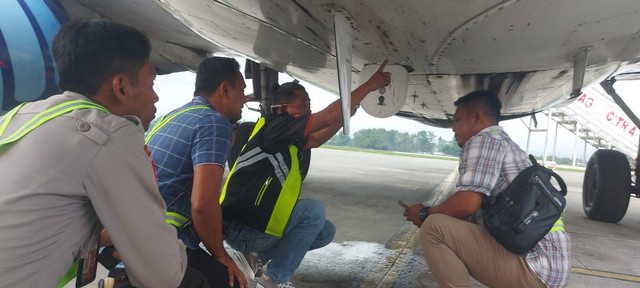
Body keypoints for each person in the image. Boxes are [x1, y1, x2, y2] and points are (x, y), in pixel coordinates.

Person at [0, 20, 207, 288]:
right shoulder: (106, 134)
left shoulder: (21, 117)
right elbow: (164, 276)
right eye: (151, 83)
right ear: (121, 87)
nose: (156, 98)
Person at [221, 61, 391, 288]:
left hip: (251, 226)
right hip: (244, 230)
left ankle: (256, 257)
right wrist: (369, 86)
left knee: (324, 232)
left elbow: (316, 139)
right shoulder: (276, 127)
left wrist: (344, 114)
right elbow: (325, 118)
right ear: (283, 108)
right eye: (304, 104)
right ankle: (274, 278)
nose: (308, 110)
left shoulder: (283, 133)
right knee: (314, 211)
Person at [403, 90, 571, 287]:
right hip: (549, 269)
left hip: (535, 269)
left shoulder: (484, 140)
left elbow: (467, 204)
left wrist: (424, 213)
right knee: (445, 221)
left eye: (457, 120)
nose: (453, 128)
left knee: (434, 227)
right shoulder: (505, 143)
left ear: (477, 117)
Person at [145, 56, 248, 288]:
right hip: (162, 240)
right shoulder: (214, 122)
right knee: (231, 281)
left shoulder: (173, 116)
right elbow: (203, 205)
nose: (244, 99)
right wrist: (221, 255)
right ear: (225, 89)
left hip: (134, 231)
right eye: (242, 90)